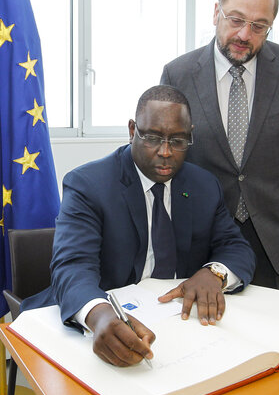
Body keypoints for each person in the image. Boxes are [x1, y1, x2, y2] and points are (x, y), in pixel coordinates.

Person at [22, 85, 255, 367]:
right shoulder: (88, 184)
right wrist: (99, 314)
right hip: (109, 320)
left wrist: (214, 273)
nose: (166, 152)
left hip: (179, 325)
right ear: (133, 130)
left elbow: (235, 247)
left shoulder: (203, 185)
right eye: (153, 138)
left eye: (178, 140)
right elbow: (71, 267)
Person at [160, 0, 279, 295]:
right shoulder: (178, 73)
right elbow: (167, 154)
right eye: (236, 20)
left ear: (270, 27)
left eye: (258, 26)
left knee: (278, 333)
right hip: (203, 234)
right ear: (216, 13)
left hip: (276, 236)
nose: (243, 34)